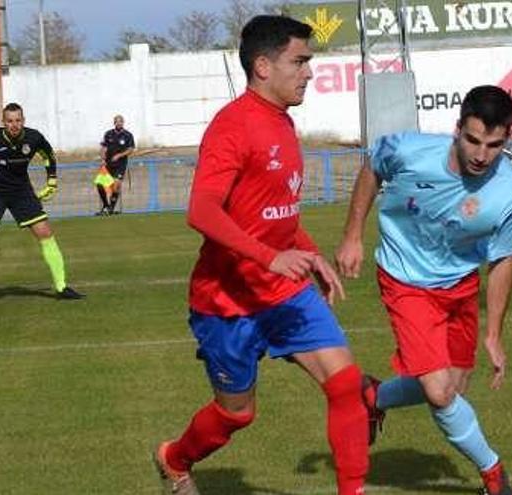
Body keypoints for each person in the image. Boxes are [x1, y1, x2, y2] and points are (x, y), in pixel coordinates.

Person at [153, 15, 370, 495]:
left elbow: (280, 214)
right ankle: (174, 458)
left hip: (285, 294)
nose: (309, 72)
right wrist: (268, 257)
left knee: (345, 384)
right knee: (236, 413)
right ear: (263, 66)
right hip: (225, 301)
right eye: (301, 61)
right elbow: (201, 210)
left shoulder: (284, 124)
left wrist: (309, 253)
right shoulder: (232, 126)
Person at [335, 85, 512, 495]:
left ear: (507, 138)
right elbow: (372, 168)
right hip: (405, 280)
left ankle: (374, 396)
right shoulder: (409, 151)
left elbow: (502, 260)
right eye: (472, 139)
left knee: (453, 388)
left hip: (459, 285)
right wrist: (353, 235)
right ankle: (494, 474)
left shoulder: (509, 190)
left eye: (494, 145)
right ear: (457, 129)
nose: (480, 154)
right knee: (440, 393)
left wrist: (493, 334)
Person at [0, 102, 84, 312]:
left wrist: (52, 181)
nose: (14, 125)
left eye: (18, 120)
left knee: (45, 232)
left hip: (22, 192)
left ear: (23, 121)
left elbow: (49, 155)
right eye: (10, 121)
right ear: (4, 122)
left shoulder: (34, 137)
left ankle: (62, 287)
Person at [94, 114, 135, 215]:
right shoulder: (108, 134)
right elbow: (103, 148)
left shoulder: (128, 135)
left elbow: (130, 149)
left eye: (121, 121)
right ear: (114, 123)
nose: (119, 123)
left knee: (116, 185)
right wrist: (103, 158)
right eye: (117, 121)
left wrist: (119, 155)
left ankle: (111, 208)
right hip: (108, 164)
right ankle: (106, 206)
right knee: (100, 185)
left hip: (120, 165)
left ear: (123, 123)